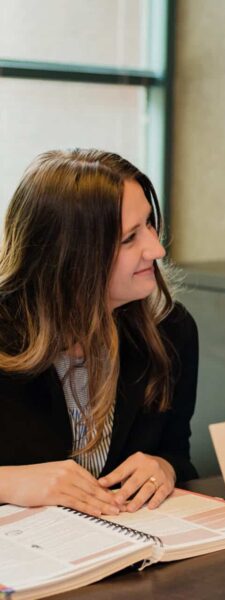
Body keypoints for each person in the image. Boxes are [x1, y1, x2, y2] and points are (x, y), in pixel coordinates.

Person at [0, 149, 199, 518]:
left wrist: (164, 468)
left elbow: (178, 455)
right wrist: (8, 482)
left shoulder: (171, 330)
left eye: (150, 224)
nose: (156, 248)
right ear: (67, 255)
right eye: (129, 239)